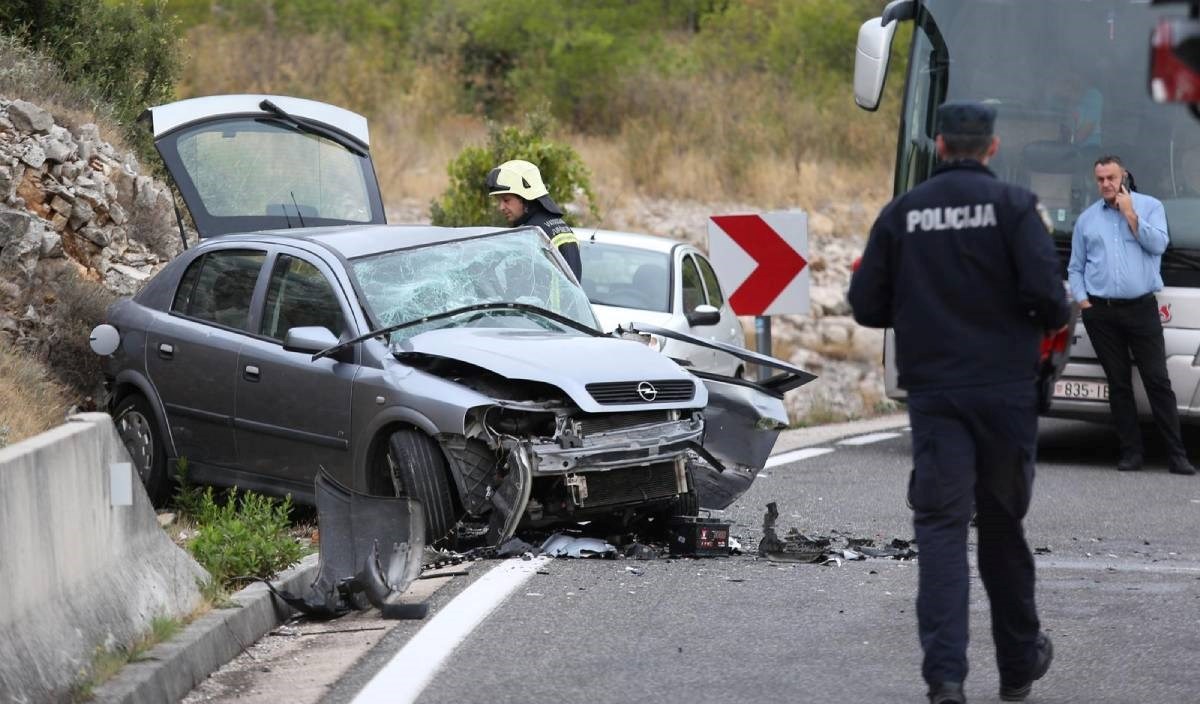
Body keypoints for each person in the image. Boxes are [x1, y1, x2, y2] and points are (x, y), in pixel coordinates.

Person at [848, 100, 1065, 704]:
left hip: (937, 395)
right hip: (1005, 393)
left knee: (942, 532)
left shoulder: (903, 212)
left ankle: (946, 680)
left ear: (938, 144)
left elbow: (867, 306)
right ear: (992, 148)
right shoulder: (1016, 208)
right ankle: (1019, 664)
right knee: (1002, 526)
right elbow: (1050, 300)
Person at [1067, 155, 1197, 475]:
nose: (1106, 184)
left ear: (1122, 175)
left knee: (1157, 381)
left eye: (1111, 178)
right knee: (1119, 383)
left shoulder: (1149, 206)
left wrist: (1131, 215)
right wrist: (1084, 303)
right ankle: (1130, 453)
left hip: (1141, 308)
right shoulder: (1086, 219)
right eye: (1100, 180)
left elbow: (1159, 245)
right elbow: (1076, 267)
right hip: (1101, 314)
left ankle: (1176, 455)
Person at [486, 159, 582, 281]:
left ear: (526, 198)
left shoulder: (531, 234)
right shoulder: (560, 227)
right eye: (498, 201)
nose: (501, 207)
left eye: (506, 200)